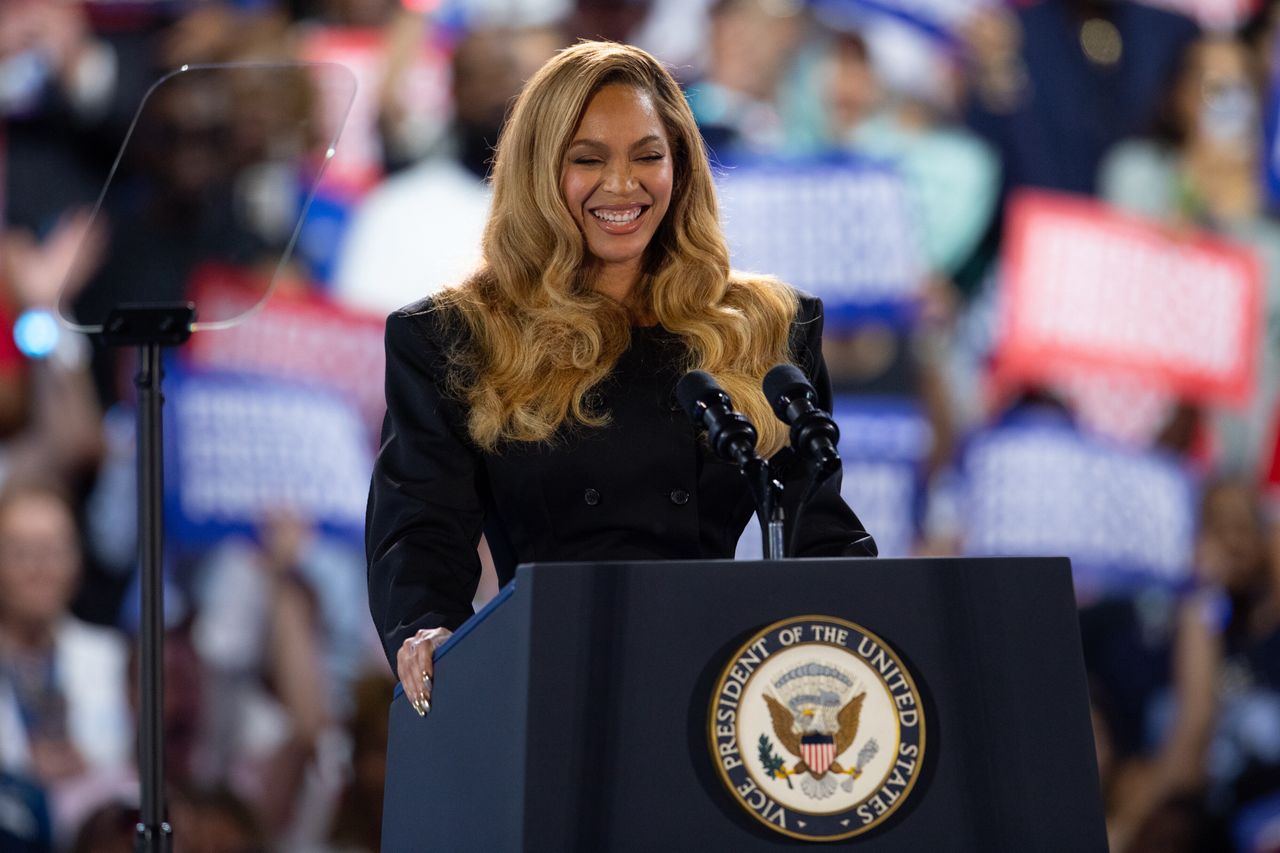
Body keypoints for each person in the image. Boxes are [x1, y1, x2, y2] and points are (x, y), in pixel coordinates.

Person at [365, 41, 875, 713]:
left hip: (723, 688)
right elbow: (422, 528)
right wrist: (427, 630)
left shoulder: (766, 327)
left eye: (647, 156)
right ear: (539, 170)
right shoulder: (456, 337)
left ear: (681, 167)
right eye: (587, 159)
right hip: (548, 683)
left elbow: (822, 533)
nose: (622, 184)